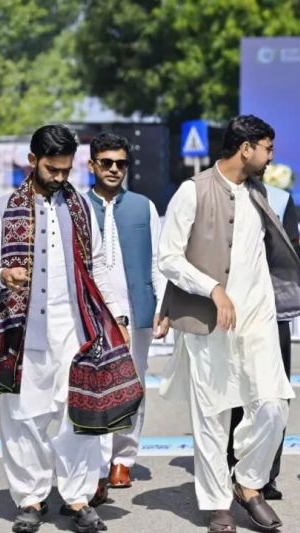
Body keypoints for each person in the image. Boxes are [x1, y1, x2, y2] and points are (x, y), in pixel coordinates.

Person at [156, 115, 300, 533]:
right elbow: (169, 257)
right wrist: (212, 289)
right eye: (267, 149)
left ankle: (248, 482)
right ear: (246, 148)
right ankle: (217, 505)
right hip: (209, 320)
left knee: (274, 405)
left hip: (258, 320)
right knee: (212, 417)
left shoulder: (259, 193)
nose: (271, 157)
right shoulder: (192, 191)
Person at [0, 124, 130, 533]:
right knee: (22, 417)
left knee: (77, 415)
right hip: (22, 331)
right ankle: (30, 498)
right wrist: (2, 274)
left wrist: (116, 316)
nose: (61, 177)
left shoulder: (80, 207)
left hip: (74, 330)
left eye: (66, 170)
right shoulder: (4, 206)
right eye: (53, 169)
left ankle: (77, 497)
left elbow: (97, 267)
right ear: (32, 160)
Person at [86, 133, 166, 491]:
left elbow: (158, 261)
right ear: (92, 165)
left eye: (121, 163)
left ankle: (123, 460)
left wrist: (162, 306)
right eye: (106, 162)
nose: (114, 169)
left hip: (137, 312)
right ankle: (97, 462)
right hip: (91, 313)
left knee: (133, 386)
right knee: (96, 386)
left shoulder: (143, 206)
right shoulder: (77, 206)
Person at [226, 179, 300, 501]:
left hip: (272, 313)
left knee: (273, 395)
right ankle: (231, 466)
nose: (268, 158)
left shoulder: (280, 200)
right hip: (229, 310)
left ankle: (265, 473)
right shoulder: (218, 194)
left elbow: (292, 257)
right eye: (264, 153)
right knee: (231, 392)